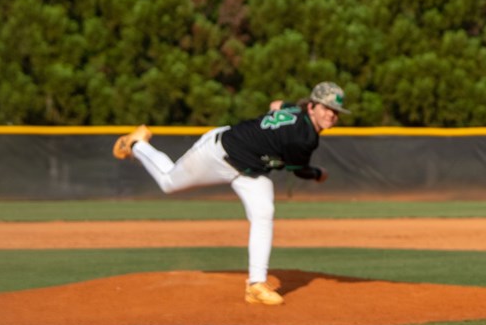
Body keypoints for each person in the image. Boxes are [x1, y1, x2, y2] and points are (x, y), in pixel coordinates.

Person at [111, 82, 346, 306]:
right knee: (168, 182)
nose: (331, 115)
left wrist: (279, 112)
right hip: (218, 154)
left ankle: (256, 285)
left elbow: (277, 104)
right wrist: (318, 173)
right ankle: (137, 145)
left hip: (251, 169)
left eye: (336, 112)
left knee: (264, 212)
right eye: (327, 108)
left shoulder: (296, 110)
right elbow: (300, 171)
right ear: (312, 106)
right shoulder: (303, 137)